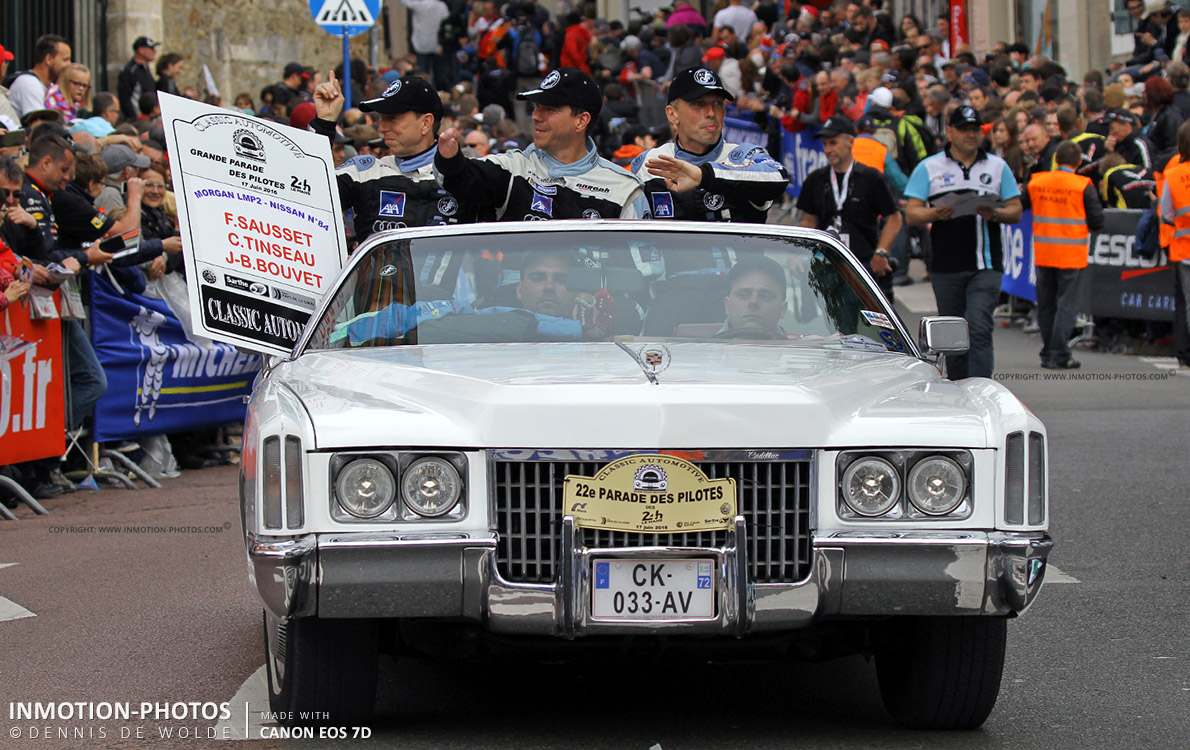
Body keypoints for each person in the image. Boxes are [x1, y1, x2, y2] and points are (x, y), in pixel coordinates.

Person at [435, 67, 649, 221]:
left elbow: (645, 269)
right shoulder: (514, 168)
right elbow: (461, 180)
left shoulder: (623, 188)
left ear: (581, 120)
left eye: (550, 109)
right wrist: (449, 159)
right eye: (537, 107)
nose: (536, 116)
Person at [905, 106, 1023, 380]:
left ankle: (982, 387)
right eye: (965, 129)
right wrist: (936, 213)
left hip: (986, 264)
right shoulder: (929, 167)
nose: (972, 134)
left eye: (976, 129)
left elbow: (1015, 211)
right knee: (953, 334)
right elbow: (912, 212)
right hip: (945, 265)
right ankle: (957, 387)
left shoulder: (997, 166)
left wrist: (993, 212)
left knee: (979, 326)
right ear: (950, 131)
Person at [311, 72, 471, 244]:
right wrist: (324, 122)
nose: (381, 127)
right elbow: (309, 192)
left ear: (426, 123)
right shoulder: (364, 171)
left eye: (392, 118)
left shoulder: (465, 176)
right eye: (381, 118)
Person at [633, 67, 788, 231]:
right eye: (698, 104)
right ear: (672, 115)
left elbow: (779, 176)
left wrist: (704, 176)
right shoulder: (649, 162)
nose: (711, 113)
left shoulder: (742, 155)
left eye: (717, 104)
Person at [796, 115, 903, 300]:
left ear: (850, 142)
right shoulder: (815, 179)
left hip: (863, 266)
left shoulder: (871, 178)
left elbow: (894, 218)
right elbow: (808, 221)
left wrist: (881, 252)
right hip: (825, 264)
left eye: (834, 143)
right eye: (825, 144)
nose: (829, 150)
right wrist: (799, 254)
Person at [1027, 141, 1104, 369]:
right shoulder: (1082, 185)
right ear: (1079, 162)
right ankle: (1059, 353)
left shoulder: (1037, 181)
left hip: (1044, 252)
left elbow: (1021, 205)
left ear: (1056, 160)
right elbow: (1097, 220)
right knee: (1066, 305)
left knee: (1046, 305)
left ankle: (1048, 351)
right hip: (1071, 254)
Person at [1158, 120, 1190, 368]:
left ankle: (1185, 353)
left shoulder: (1174, 174)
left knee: (1185, 303)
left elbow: (1166, 213)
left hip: (1184, 248)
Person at [720, 255, 788, 336]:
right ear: (727, 305)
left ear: (783, 309)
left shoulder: (801, 347)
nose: (753, 302)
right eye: (743, 295)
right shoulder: (703, 347)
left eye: (765, 296)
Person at [8, 35, 72, 119]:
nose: (69, 64)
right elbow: (39, 125)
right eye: (65, 59)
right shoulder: (29, 84)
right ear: (48, 59)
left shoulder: (50, 87)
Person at [117, 36, 160, 121]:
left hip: (151, 118)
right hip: (139, 119)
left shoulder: (146, 69)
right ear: (141, 50)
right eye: (151, 48)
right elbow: (125, 99)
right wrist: (135, 118)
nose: (154, 51)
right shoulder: (130, 71)